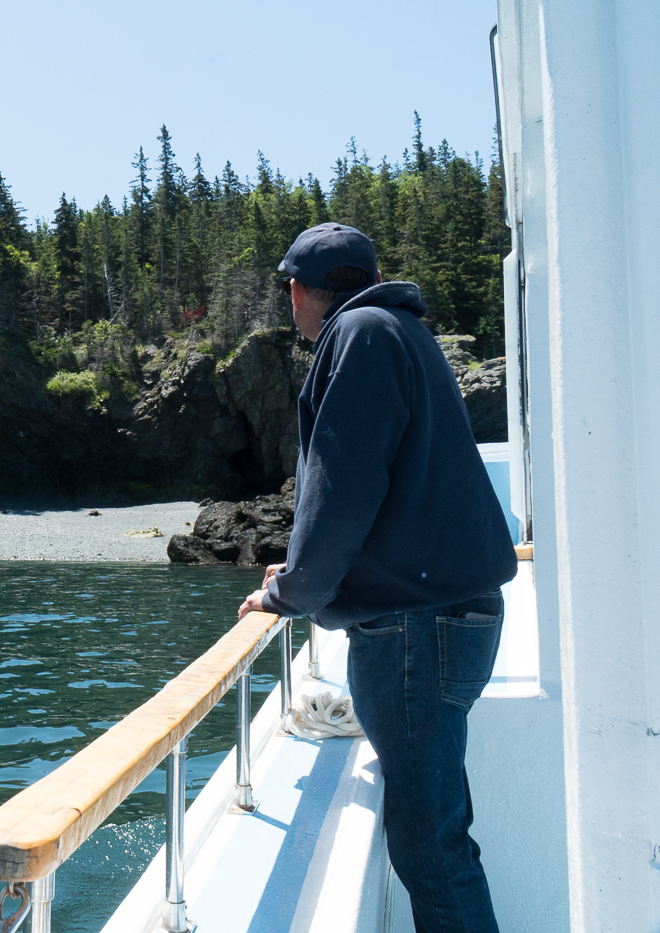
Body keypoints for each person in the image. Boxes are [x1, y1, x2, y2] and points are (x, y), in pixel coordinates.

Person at [237, 222, 517, 933]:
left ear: (303, 289)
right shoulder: (402, 330)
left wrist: (287, 592)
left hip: (417, 631)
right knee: (439, 833)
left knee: (431, 847)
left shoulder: (359, 336)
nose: (288, 303)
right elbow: (393, 489)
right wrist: (299, 571)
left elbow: (343, 486)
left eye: (287, 290)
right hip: (452, 615)